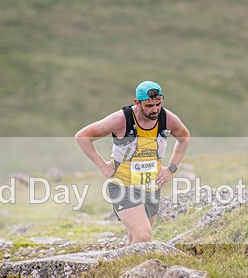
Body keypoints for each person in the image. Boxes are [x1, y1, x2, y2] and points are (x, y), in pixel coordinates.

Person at [75, 80, 190, 245]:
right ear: (137, 102)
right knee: (143, 236)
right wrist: (103, 166)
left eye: (158, 104)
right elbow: (82, 137)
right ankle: (136, 270)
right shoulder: (121, 119)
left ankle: (122, 268)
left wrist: (171, 168)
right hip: (123, 185)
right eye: (149, 105)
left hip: (151, 187)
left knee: (135, 238)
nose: (155, 109)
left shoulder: (167, 118)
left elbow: (184, 139)